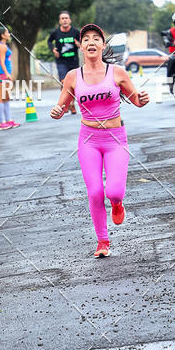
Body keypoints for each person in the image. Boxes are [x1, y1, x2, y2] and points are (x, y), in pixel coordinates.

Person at [50, 23, 149, 257]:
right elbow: (62, 105)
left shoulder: (117, 73)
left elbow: (135, 99)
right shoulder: (73, 77)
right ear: (80, 46)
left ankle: (117, 203)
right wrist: (57, 110)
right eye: (86, 39)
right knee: (95, 192)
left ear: (103, 45)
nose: (91, 42)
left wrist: (142, 99)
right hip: (89, 140)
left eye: (96, 39)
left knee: (114, 192)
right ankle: (102, 241)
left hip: (115, 139)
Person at [47, 11, 81, 114]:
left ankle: (71, 104)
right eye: (62, 18)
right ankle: (66, 104)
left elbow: (82, 43)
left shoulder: (75, 32)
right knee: (64, 82)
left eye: (66, 18)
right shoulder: (56, 33)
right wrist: (53, 49)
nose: (64, 20)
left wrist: (78, 44)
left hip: (73, 61)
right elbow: (49, 41)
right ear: (59, 21)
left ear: (70, 20)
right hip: (61, 61)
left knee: (74, 84)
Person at [0, 27, 19, 130]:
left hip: (5, 74)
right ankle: (1, 123)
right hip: (2, 75)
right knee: (1, 98)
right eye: (7, 33)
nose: (9, 34)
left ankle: (8, 120)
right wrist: (7, 74)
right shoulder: (1, 47)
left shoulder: (4, 45)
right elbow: (1, 61)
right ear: (2, 35)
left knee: (6, 98)